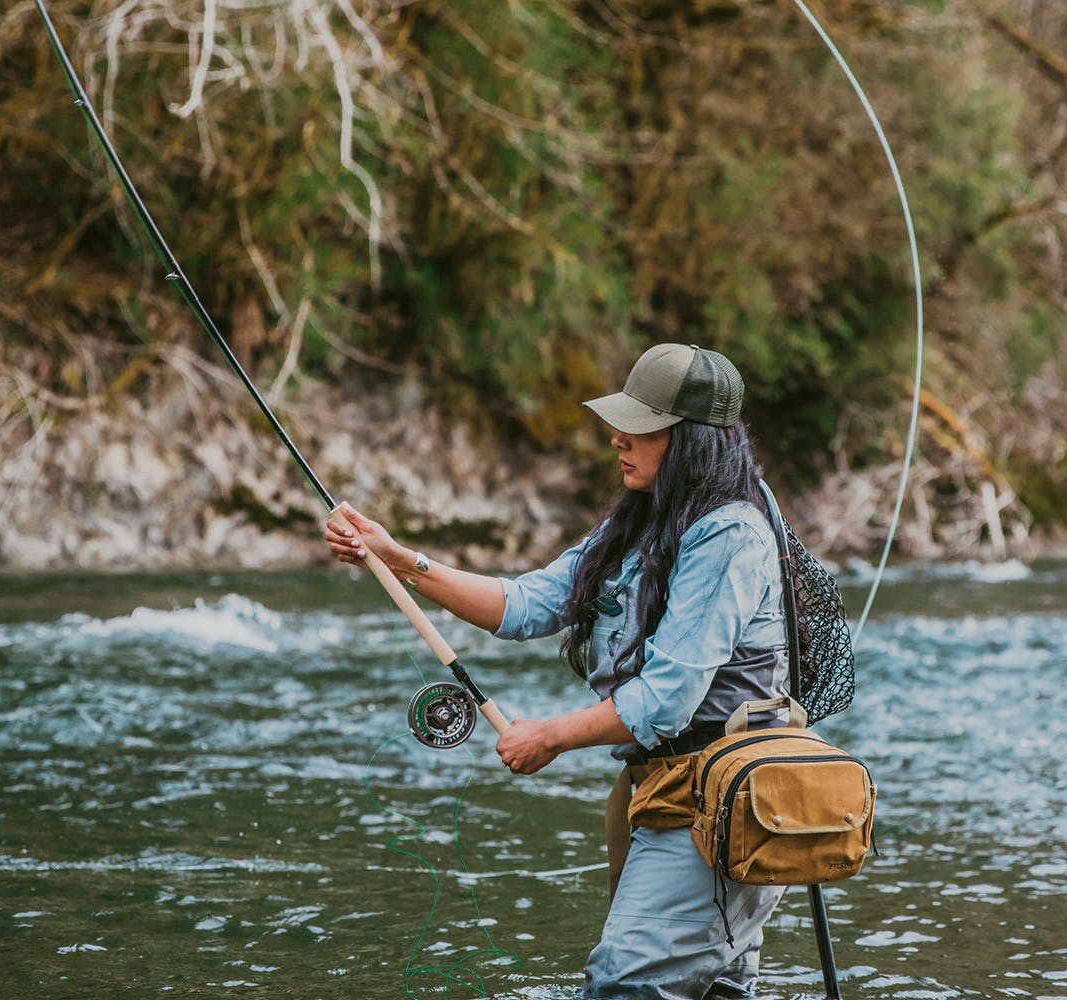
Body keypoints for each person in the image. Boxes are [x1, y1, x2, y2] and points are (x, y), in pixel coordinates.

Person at [323, 343, 791, 999]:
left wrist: (549, 736)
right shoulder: (638, 523)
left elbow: (667, 699)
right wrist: (399, 558)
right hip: (657, 792)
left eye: (641, 428)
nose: (617, 439)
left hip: (714, 802)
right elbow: (525, 604)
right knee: (706, 989)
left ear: (691, 442)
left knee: (622, 982)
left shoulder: (731, 534)